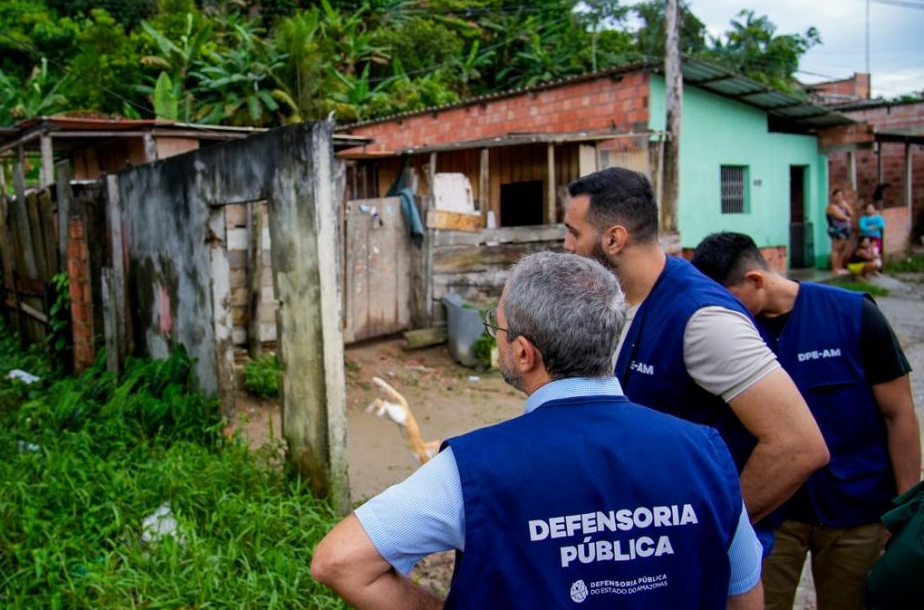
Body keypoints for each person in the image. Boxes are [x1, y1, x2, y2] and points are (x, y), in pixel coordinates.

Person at [311, 252, 764, 609]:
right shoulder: (706, 452)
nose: (497, 337)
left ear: (525, 354)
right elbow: (744, 588)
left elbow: (339, 561)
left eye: (499, 327)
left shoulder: (471, 472)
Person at [562, 168, 829, 550]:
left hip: (690, 559)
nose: (567, 246)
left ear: (614, 239)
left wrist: (711, 531)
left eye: (574, 233)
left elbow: (800, 445)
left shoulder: (702, 318)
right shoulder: (614, 301)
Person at [691, 232, 920, 610]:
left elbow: (900, 415)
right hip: (774, 518)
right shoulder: (729, 336)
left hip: (856, 510)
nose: (718, 310)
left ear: (756, 280)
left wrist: (905, 510)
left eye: (726, 298)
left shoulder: (853, 315)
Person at [827, 189, 854, 275]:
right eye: (838, 195)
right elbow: (841, 217)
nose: (840, 197)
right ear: (833, 197)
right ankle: (834, 269)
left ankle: (840, 267)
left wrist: (846, 206)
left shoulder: (843, 205)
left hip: (845, 230)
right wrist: (847, 218)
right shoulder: (831, 207)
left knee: (842, 248)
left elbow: (851, 213)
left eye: (841, 195)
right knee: (836, 248)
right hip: (836, 230)